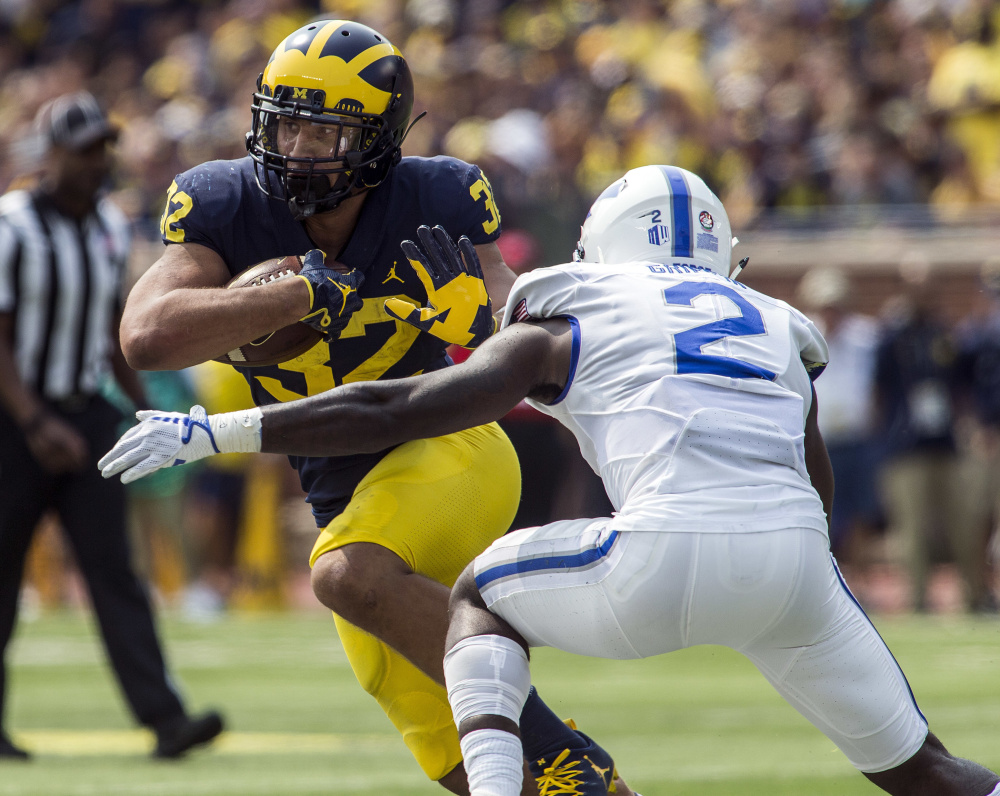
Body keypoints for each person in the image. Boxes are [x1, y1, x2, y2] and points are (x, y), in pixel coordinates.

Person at [102, 165, 1000, 796]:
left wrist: (215, 429)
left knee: (482, 598)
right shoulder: (776, 320)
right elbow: (819, 488)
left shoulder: (577, 309)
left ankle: (536, 780)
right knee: (929, 771)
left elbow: (396, 408)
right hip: (800, 571)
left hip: (661, 551)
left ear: (599, 245)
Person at [116, 20, 632, 795]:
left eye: (321, 131)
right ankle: (580, 776)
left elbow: (531, 322)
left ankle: (563, 744)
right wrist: (294, 294)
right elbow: (146, 337)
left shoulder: (439, 193)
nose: (295, 145)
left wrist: (485, 325)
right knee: (460, 758)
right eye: (284, 120)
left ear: (379, 137)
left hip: (449, 450)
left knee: (344, 576)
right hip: (341, 495)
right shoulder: (221, 201)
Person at [0, 91, 223, 760]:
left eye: (104, 145)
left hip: (87, 413)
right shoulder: (11, 225)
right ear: (54, 153)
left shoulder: (106, 223)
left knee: (115, 573)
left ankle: (165, 721)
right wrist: (35, 421)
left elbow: (111, 331)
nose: (101, 159)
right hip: (15, 422)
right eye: (87, 148)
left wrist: (145, 408)